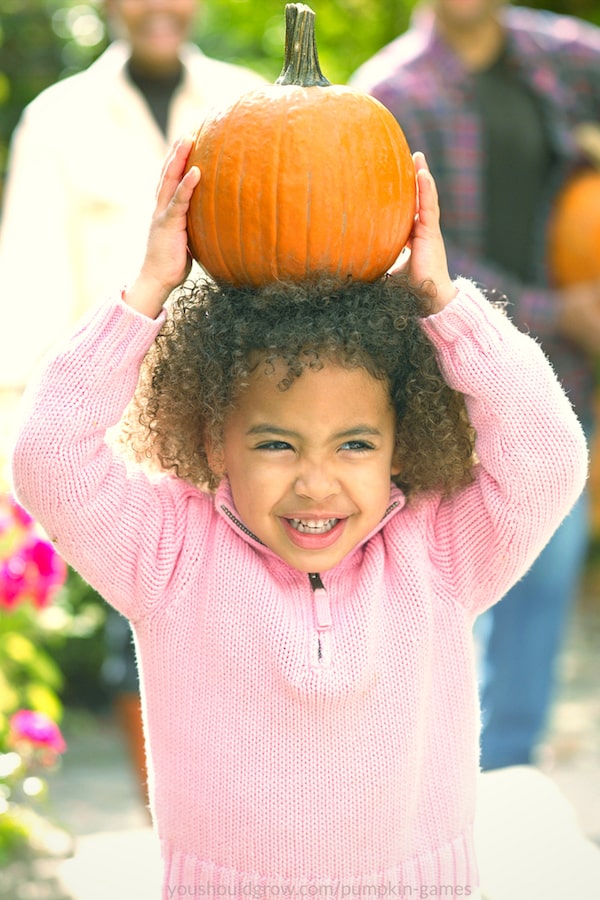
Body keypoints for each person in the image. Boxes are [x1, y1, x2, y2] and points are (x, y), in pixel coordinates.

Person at [10, 135, 586, 898]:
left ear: (399, 444)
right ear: (215, 440)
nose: (316, 482)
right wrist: (147, 290)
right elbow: (49, 453)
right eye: (277, 443)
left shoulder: (441, 554)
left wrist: (447, 305)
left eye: (354, 444)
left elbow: (550, 456)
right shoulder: (170, 555)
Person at [351, 0, 600, 771]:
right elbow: (411, 253)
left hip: (563, 379)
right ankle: (434, 787)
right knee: (453, 591)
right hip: (445, 377)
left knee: (548, 571)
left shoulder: (561, 54)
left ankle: (512, 772)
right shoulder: (391, 95)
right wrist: (562, 310)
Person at [0, 0, 264, 464]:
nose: (159, 5)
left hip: (243, 427)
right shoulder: (55, 121)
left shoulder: (252, 104)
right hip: (108, 440)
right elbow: (28, 300)